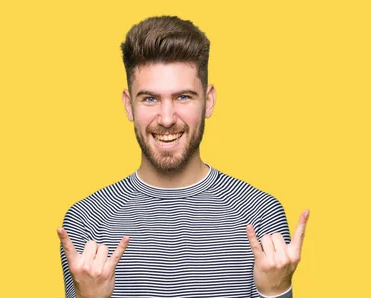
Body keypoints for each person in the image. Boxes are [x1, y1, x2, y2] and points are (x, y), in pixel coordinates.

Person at [57, 16, 309, 298]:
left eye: (183, 97)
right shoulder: (86, 221)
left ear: (209, 100)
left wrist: (276, 291)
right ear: (129, 105)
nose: (166, 119)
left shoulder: (260, 214)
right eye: (150, 99)